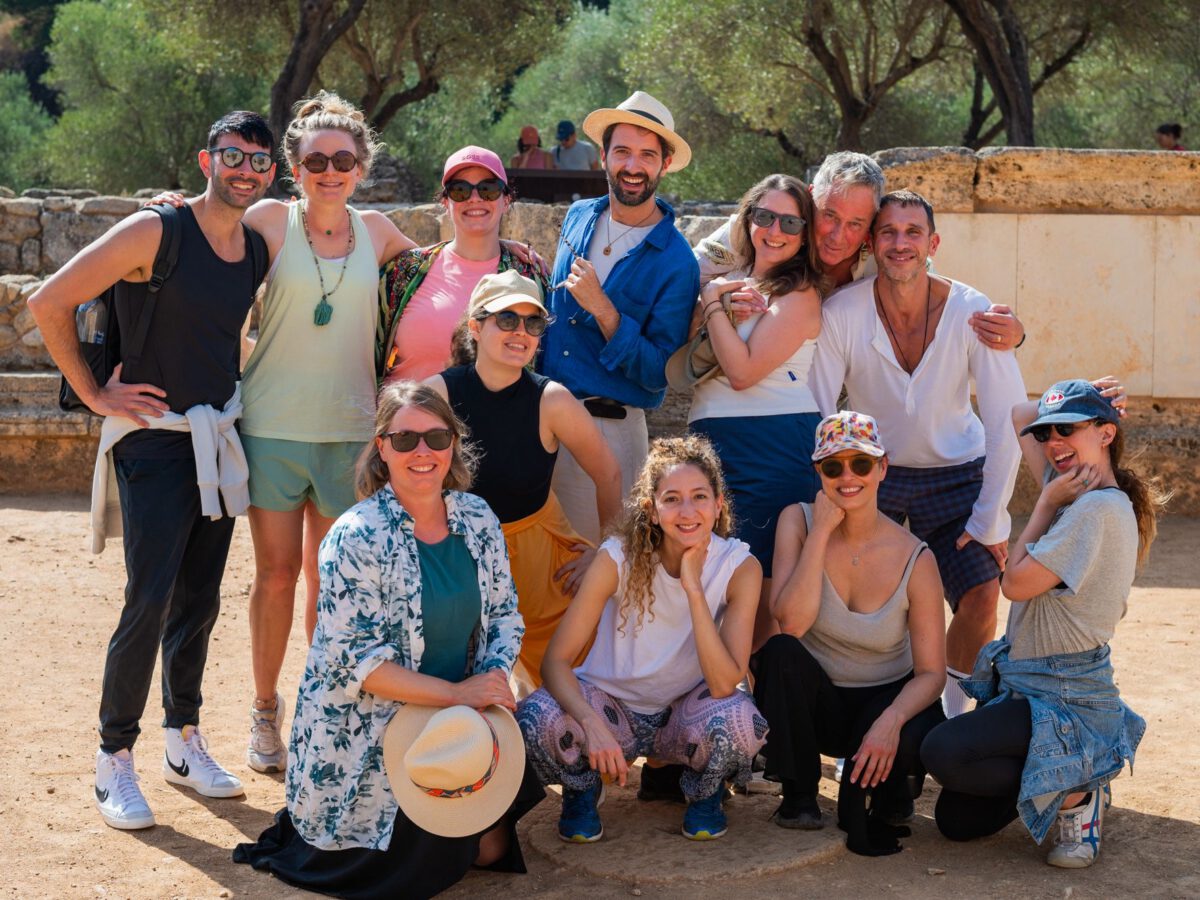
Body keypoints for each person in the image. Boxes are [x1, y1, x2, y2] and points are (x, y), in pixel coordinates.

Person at [27, 110, 276, 829]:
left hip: (217, 439)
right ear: (206, 159)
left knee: (200, 598)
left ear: (269, 174)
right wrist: (93, 394)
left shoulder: (255, 248)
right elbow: (48, 301)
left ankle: (182, 741)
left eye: (258, 161)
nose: (244, 170)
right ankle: (114, 757)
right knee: (150, 599)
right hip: (155, 442)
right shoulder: (155, 231)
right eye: (232, 155)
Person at [233, 382, 541, 898]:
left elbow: (505, 615)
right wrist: (458, 694)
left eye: (436, 438)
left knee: (488, 851)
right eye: (405, 439)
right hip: (373, 727)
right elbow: (360, 665)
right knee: (431, 866)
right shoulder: (355, 536)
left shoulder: (478, 518)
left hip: (455, 722)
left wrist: (490, 679)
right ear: (382, 447)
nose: (422, 451)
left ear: (453, 445)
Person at [921, 377, 1163, 868]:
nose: (1053, 442)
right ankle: (1069, 771)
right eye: (1048, 432)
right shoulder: (1076, 486)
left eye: (1068, 429)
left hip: (1064, 692)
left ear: (1106, 434)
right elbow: (1019, 415)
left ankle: (1079, 788)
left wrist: (1044, 504)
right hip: (1028, 685)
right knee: (956, 822)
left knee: (942, 751)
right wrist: (1081, 395)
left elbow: (1013, 583)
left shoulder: (1091, 508)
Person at [809, 190, 1026, 720]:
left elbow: (1006, 418)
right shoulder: (842, 313)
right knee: (865, 600)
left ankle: (947, 719)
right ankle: (867, 717)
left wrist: (991, 517)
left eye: (913, 232)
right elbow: (818, 411)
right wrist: (832, 491)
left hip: (958, 473)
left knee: (981, 592)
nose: (900, 243)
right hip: (872, 473)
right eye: (888, 231)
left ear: (933, 243)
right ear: (871, 243)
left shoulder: (973, 311)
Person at [517, 436, 769, 842]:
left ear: (719, 504)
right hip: (611, 710)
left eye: (699, 496)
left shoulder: (740, 566)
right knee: (534, 718)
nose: (687, 511)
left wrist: (693, 589)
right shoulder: (616, 557)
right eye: (672, 499)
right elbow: (555, 662)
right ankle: (582, 788)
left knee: (743, 720)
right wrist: (590, 724)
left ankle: (704, 794)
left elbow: (725, 683)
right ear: (651, 509)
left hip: (684, 714)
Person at [753, 412, 947, 856]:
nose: (847, 477)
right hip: (819, 706)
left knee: (869, 810)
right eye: (832, 466)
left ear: (882, 468)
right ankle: (799, 794)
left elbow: (932, 673)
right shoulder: (798, 521)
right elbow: (791, 624)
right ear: (818, 472)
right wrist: (822, 531)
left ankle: (892, 787)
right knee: (779, 653)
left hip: (884, 700)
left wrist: (891, 721)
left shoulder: (917, 557)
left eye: (860, 464)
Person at [423, 270, 622, 693]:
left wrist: (605, 553)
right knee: (456, 681)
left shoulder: (552, 400)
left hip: (539, 562)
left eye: (533, 323)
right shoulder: (437, 394)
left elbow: (608, 473)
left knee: (574, 686)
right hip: (457, 555)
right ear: (476, 327)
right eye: (507, 319)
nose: (521, 332)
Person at [539, 91, 700, 543]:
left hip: (609, 432)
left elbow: (657, 374)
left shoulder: (676, 261)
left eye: (647, 155)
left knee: (602, 571)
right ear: (603, 157)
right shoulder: (578, 217)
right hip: (543, 427)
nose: (633, 166)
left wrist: (605, 311)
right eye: (623, 151)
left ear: (665, 164)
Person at [694, 151, 1027, 350]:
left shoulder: (886, 255)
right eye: (829, 215)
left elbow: (936, 304)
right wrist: (720, 301)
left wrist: (1013, 335)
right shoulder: (764, 228)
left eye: (856, 224)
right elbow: (687, 280)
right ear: (810, 196)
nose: (838, 236)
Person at [685, 174, 825, 635]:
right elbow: (682, 348)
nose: (775, 230)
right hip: (711, 442)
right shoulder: (724, 279)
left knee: (758, 597)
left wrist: (712, 303)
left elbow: (742, 372)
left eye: (790, 222)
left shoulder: (800, 294)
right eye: (764, 216)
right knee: (708, 584)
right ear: (747, 219)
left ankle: (755, 683)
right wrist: (714, 300)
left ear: (805, 234)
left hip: (773, 446)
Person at [379, 146, 548, 384]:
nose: (475, 198)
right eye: (460, 190)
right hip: (407, 407)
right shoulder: (408, 270)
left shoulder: (529, 276)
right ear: (445, 203)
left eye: (488, 189)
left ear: (506, 200)